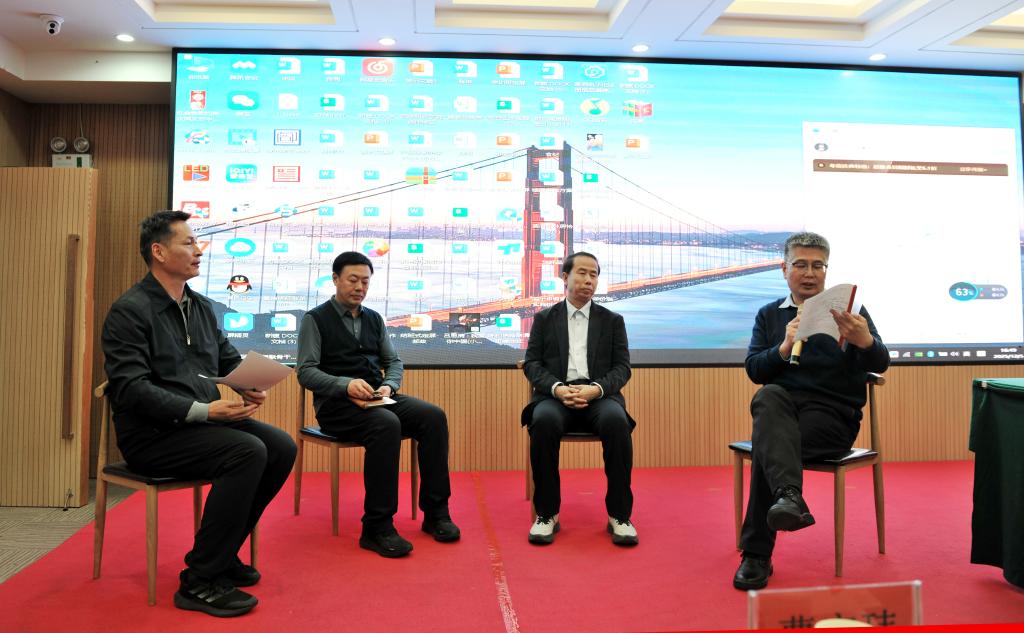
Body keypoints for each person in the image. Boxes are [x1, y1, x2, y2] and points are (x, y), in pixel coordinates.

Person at [101, 210, 296, 617]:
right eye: (188, 242)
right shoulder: (130, 310)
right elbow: (131, 387)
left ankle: (220, 554)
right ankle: (199, 580)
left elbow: (226, 359)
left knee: (280, 447)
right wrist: (203, 410)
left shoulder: (201, 306)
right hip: (152, 436)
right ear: (158, 252)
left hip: (201, 425)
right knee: (247, 451)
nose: (199, 250)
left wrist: (247, 383)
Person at [733, 231, 890, 590]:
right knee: (769, 396)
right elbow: (755, 370)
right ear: (784, 268)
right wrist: (785, 345)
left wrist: (864, 341)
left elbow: (881, 362)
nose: (809, 273)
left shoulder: (851, 312)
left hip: (833, 419)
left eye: (818, 266)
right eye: (800, 265)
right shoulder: (769, 315)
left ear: (826, 270)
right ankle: (789, 498)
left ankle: (756, 554)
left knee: (769, 447)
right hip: (783, 414)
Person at [296, 251, 459, 558]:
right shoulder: (314, 319)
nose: (360, 287)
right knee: (387, 424)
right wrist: (345, 384)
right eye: (353, 280)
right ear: (335, 279)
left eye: (365, 281)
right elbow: (306, 372)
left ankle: (436, 513)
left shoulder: (373, 318)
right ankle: (377, 527)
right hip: (337, 407)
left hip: (377, 398)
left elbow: (393, 361)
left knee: (433, 417)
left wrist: (389, 385)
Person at [521, 251, 637, 546]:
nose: (588, 280)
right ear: (565, 277)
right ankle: (547, 513)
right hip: (555, 396)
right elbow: (532, 364)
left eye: (593, 275)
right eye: (582, 273)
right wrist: (558, 389)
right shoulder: (544, 319)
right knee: (543, 421)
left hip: (598, 395)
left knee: (616, 421)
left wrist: (595, 389)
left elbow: (622, 368)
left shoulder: (612, 320)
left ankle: (620, 516)